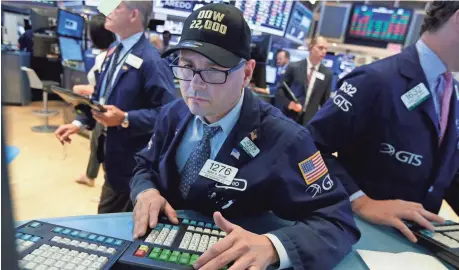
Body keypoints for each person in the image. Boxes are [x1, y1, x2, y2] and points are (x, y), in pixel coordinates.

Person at [130, 4, 359, 270]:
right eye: (187, 65)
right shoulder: (173, 113)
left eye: (214, 70)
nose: (195, 83)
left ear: (247, 73)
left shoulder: (285, 139)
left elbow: (337, 222)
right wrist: (146, 191)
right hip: (159, 252)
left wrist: (274, 245)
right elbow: (145, 164)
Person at [307, 1, 459, 243]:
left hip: (417, 241)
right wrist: (359, 200)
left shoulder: (450, 92)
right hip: (358, 238)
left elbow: (445, 170)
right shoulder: (375, 80)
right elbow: (307, 149)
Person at [55, 0, 175, 213]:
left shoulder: (152, 61)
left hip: (134, 166)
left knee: (114, 224)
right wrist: (79, 122)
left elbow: (168, 114)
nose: (106, 11)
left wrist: (126, 118)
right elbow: (101, 97)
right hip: (111, 156)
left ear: (133, 15)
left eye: (115, 7)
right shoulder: (114, 50)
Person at [72, 14, 116, 187]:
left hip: (105, 112)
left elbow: (102, 90)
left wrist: (80, 91)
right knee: (97, 145)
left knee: (101, 147)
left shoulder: (105, 58)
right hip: (100, 111)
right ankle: (92, 177)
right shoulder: (108, 56)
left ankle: (100, 181)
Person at [275, 36, 333, 126]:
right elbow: (280, 90)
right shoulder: (294, 67)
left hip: (309, 122)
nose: (324, 51)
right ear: (311, 47)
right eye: (320, 48)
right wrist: (289, 104)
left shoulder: (327, 74)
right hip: (290, 117)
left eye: (326, 49)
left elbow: (325, 102)